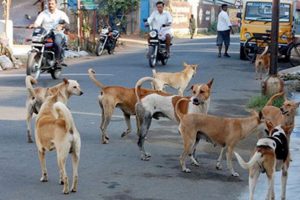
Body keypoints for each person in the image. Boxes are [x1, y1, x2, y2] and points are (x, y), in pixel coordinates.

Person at [29, 0, 69, 64]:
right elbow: (37, 23)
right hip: (45, 33)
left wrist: (61, 26)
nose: (50, 5)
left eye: (52, 4)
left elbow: (66, 23)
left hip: (57, 33)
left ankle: (57, 60)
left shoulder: (61, 14)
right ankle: (39, 58)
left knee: (57, 42)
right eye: (49, 4)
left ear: (56, 4)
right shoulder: (43, 13)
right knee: (37, 41)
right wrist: (33, 25)